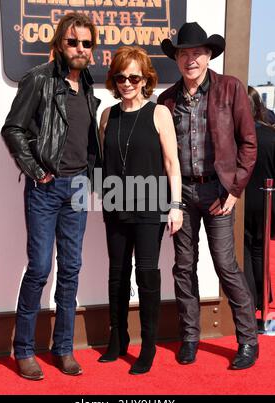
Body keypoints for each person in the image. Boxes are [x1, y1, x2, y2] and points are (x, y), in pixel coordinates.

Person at [1, 12, 101, 380]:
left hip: (76, 188)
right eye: (73, 41)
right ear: (59, 43)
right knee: (41, 268)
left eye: (86, 43)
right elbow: (13, 129)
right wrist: (36, 170)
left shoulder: (89, 85)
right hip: (45, 189)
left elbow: (86, 142)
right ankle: (24, 349)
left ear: (92, 50)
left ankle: (63, 348)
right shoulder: (38, 79)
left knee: (71, 270)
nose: (79, 48)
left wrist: (90, 179)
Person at [158, 22, 259, 369]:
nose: (191, 59)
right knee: (183, 267)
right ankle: (190, 337)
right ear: (177, 58)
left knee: (226, 266)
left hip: (218, 191)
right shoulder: (166, 99)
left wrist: (235, 190)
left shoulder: (230, 89)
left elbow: (249, 143)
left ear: (209, 55)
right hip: (182, 192)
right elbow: (164, 154)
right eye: (184, 53)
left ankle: (248, 341)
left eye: (197, 52)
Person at [98, 46, 183, 374]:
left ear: (145, 78)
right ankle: (117, 338)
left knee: (146, 274)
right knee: (116, 274)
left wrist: (175, 206)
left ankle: (148, 346)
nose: (127, 83)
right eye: (120, 77)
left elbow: (172, 163)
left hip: (150, 205)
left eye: (133, 76)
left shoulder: (159, 113)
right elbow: (105, 164)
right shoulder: (107, 115)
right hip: (116, 203)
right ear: (114, 79)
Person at [244, 86, 275, 310]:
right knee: (259, 251)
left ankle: (252, 301)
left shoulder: (236, 138)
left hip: (245, 202)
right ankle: (265, 298)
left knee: (245, 252)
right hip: (268, 202)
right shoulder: (270, 135)